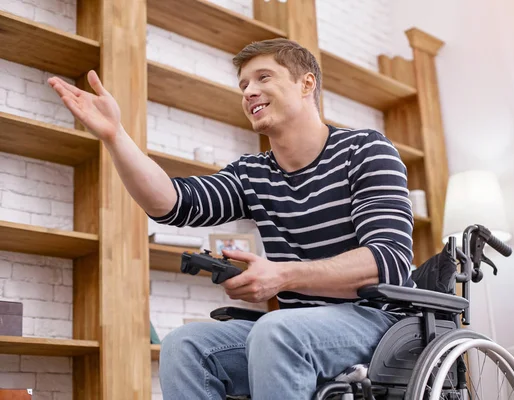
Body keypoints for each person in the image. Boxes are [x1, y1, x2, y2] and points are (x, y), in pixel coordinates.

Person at [48, 38, 415, 400]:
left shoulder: (365, 149)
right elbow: (172, 203)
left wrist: (282, 275)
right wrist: (115, 136)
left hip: (377, 323)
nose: (249, 92)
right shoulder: (252, 174)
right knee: (183, 346)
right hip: (291, 330)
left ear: (307, 83)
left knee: (276, 330)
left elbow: (389, 263)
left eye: (263, 78)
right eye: (243, 85)